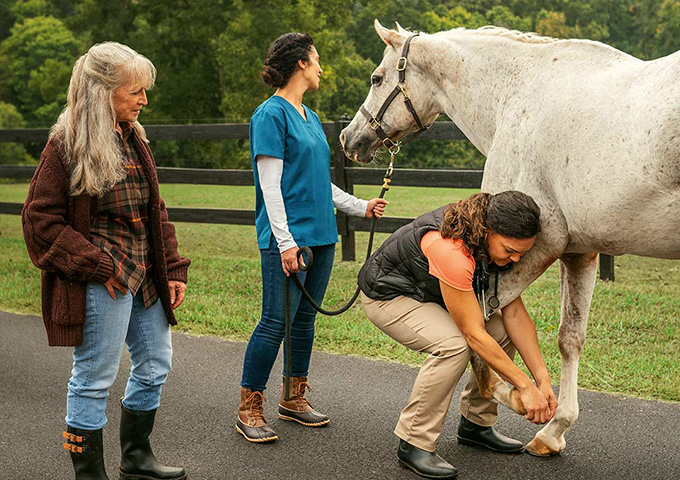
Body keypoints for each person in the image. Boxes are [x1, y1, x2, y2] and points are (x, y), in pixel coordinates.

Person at [22, 42, 189, 480]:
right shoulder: (66, 144)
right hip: (103, 278)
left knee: (155, 365)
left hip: (146, 275)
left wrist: (171, 268)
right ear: (102, 92)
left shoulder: (133, 135)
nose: (144, 100)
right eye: (135, 91)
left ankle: (136, 457)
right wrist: (97, 265)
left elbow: (156, 209)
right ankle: (89, 474)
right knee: (94, 377)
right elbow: (39, 221)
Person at [236, 32, 388, 443]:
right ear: (300, 63)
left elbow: (321, 182)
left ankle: (293, 397)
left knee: (304, 321)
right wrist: (284, 243)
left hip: (321, 236)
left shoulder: (312, 118)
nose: (321, 67)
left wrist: (361, 206)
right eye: (316, 59)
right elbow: (270, 187)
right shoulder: (270, 116)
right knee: (275, 322)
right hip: (289, 239)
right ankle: (250, 406)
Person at [358, 191, 558, 479]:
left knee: (501, 330)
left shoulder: (494, 243)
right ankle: (414, 442)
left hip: (434, 294)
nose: (515, 259)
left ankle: (476, 424)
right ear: (488, 230)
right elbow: (473, 335)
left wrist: (542, 380)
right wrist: (524, 387)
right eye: (509, 250)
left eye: (522, 253)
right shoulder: (450, 250)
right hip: (389, 296)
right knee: (453, 345)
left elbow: (513, 313)